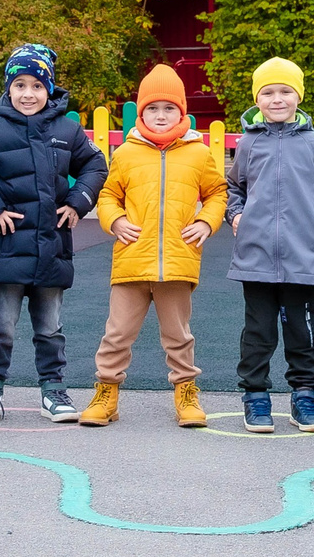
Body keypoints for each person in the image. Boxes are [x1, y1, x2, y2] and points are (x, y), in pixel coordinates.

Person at [0, 43, 103, 424]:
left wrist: (77, 201)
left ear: (49, 88)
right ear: (8, 88)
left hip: (51, 249)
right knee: (1, 328)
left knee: (50, 329)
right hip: (6, 249)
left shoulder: (68, 130)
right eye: (19, 85)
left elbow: (96, 165)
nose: (28, 94)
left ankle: (53, 391)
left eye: (37, 85)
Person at [86, 63, 227, 428]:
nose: (160, 115)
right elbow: (108, 196)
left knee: (178, 336)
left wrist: (205, 222)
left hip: (178, 261)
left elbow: (217, 193)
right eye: (152, 108)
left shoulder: (197, 153)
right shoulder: (127, 153)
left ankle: (186, 393)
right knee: (117, 333)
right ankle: (106, 394)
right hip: (132, 261)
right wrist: (114, 220)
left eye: (169, 108)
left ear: (182, 111)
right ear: (140, 111)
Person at [227, 57, 314, 433]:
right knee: (258, 332)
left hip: (303, 256)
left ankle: (304, 396)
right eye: (268, 92)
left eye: (285, 91)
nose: (276, 99)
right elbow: (233, 187)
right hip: (257, 257)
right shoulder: (248, 144)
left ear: (298, 96)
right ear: (257, 99)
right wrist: (236, 216)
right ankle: (256, 397)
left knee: (303, 331)